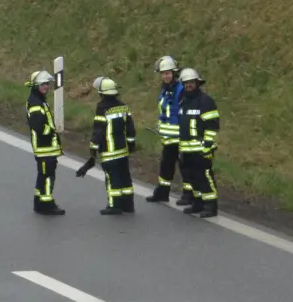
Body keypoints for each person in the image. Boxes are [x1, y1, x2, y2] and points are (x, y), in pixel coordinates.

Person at [77, 77, 137, 215]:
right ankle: (128, 205)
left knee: (112, 178)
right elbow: (130, 128)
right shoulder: (123, 106)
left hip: (109, 152)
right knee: (125, 177)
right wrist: (131, 143)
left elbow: (98, 131)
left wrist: (93, 148)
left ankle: (114, 205)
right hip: (122, 151)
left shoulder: (102, 108)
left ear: (102, 93)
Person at [147, 56, 193, 205]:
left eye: (168, 73)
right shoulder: (165, 90)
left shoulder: (181, 89)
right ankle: (162, 192)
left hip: (181, 136)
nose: (165, 76)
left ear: (174, 73)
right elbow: (165, 111)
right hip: (168, 137)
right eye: (163, 73)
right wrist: (160, 125)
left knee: (185, 166)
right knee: (166, 165)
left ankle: (189, 194)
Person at [177, 68, 220, 218]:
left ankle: (211, 205)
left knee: (204, 176)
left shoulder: (206, 101)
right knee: (191, 177)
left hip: (201, 149)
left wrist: (207, 146)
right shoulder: (183, 101)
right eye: (186, 83)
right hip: (186, 149)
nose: (188, 85)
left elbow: (212, 125)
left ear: (197, 83)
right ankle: (198, 203)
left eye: (191, 82)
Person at [26, 70, 65, 216]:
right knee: (48, 177)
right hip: (44, 148)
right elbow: (38, 127)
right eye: (43, 84)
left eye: (47, 84)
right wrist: (52, 131)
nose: (46, 86)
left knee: (43, 176)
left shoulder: (38, 99)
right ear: (36, 85)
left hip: (45, 148)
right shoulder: (36, 103)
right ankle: (47, 204)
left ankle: (39, 202)